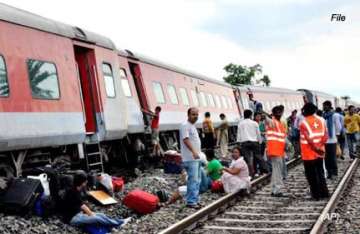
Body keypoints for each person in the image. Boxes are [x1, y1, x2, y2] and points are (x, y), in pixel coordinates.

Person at [61, 172, 131, 228]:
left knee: (101, 215)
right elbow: (83, 206)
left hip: (79, 214)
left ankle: (120, 221)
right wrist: (91, 214)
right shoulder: (72, 192)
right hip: (72, 219)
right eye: (85, 181)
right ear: (82, 182)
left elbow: (82, 203)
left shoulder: (78, 189)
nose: (87, 182)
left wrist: (91, 213)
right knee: (96, 218)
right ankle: (117, 225)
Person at [299, 103, 329, 200]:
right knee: (320, 172)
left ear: (305, 111)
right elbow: (326, 136)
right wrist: (319, 147)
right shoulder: (322, 120)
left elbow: (308, 139)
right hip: (320, 152)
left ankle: (316, 195)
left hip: (308, 153)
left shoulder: (303, 123)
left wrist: (315, 148)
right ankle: (324, 192)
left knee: (311, 175)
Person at [180, 107, 202, 208]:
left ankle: (195, 199)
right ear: (188, 115)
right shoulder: (185, 126)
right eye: (193, 114)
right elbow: (186, 139)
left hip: (196, 158)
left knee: (197, 180)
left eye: (197, 114)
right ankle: (191, 201)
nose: (195, 116)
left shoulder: (192, 126)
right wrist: (193, 151)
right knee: (193, 180)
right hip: (190, 158)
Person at [237, 109, 268, 177]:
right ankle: (265, 170)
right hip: (254, 142)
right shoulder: (254, 123)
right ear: (251, 115)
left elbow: (239, 134)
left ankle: (251, 173)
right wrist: (260, 142)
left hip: (244, 143)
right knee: (258, 156)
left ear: (244, 115)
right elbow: (258, 134)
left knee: (247, 158)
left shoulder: (240, 124)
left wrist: (239, 142)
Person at [266, 106, 287, 196]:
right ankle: (277, 190)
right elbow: (267, 120)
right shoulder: (273, 122)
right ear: (273, 114)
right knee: (278, 171)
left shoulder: (279, 123)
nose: (279, 113)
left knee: (275, 170)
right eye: (277, 112)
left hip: (278, 150)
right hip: (275, 150)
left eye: (280, 112)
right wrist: (265, 116)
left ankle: (274, 189)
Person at [323, 101, 342, 179]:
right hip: (324, 140)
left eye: (324, 106)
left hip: (332, 140)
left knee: (332, 157)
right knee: (326, 158)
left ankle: (334, 172)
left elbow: (338, 126)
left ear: (328, 106)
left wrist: (336, 135)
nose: (323, 107)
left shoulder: (335, 115)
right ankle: (329, 173)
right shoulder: (323, 116)